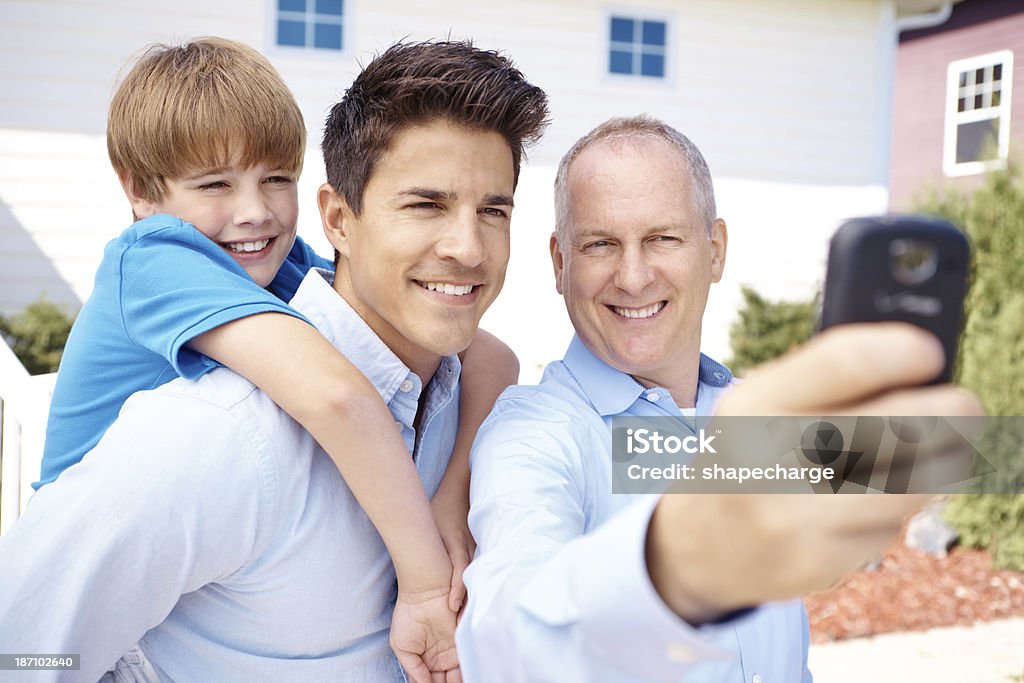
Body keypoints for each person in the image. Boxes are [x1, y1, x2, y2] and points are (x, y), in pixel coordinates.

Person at [0, 40, 548, 681]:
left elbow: (495, 358)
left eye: (493, 210)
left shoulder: (283, 272)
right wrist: (427, 583)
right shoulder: (178, 327)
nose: (254, 212)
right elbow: (22, 652)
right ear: (340, 219)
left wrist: (452, 498)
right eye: (425, 204)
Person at [455, 116, 983, 681]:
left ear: (715, 251)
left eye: (663, 238)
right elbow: (504, 638)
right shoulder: (532, 432)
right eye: (601, 244)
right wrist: (676, 564)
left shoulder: (762, 414)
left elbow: (950, 459)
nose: (632, 277)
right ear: (561, 263)